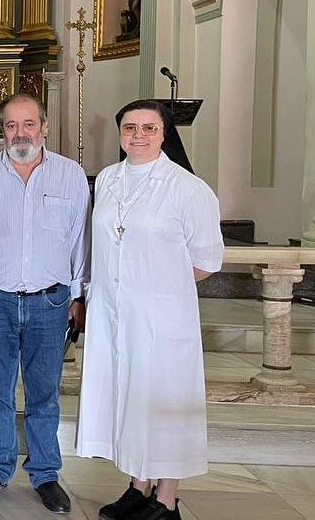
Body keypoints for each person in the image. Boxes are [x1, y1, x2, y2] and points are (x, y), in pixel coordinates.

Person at [77, 100, 224, 520]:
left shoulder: (187, 188)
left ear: (165, 134)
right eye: (130, 127)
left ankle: (167, 498)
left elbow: (206, 260)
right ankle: (138, 486)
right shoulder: (107, 179)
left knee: (163, 399)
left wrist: (159, 287)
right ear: (120, 133)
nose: (138, 135)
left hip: (162, 316)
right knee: (129, 396)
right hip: (113, 314)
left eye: (149, 127)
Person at [0, 93, 90, 514]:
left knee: (44, 393)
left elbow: (80, 239)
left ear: (44, 127)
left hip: (49, 302)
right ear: (2, 130)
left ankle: (45, 473)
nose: (20, 134)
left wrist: (78, 296)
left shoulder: (71, 176)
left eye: (28, 125)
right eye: (11, 126)